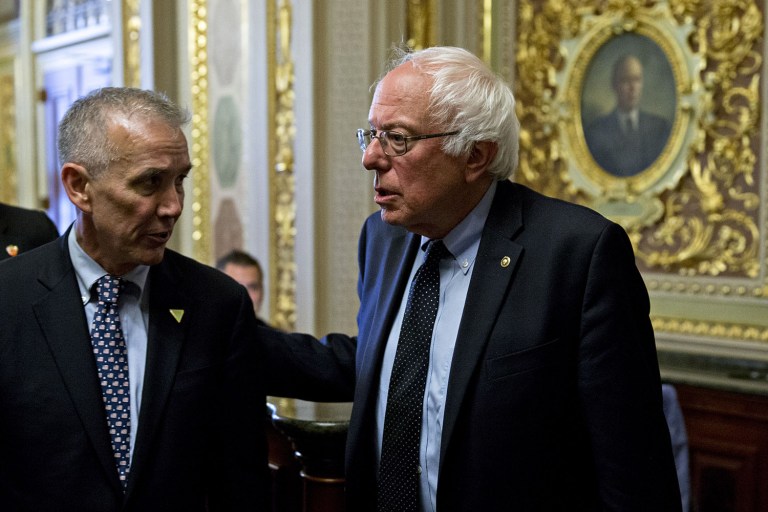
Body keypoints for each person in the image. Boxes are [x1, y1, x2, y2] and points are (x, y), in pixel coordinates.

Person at [260, 46, 681, 511]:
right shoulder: (383, 238)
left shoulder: (578, 255)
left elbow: (634, 472)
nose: (371, 158)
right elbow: (376, 363)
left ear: (475, 156)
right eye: (372, 135)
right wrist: (220, 323)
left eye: (397, 139)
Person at [0, 87, 268, 511]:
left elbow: (239, 480)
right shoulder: (8, 300)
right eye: (150, 183)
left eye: (180, 180)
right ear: (79, 186)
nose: (174, 206)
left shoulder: (217, 305)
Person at [584, 53, 672, 177]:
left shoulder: (660, 128)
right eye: (626, 80)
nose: (633, 88)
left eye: (637, 80)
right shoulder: (596, 132)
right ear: (614, 85)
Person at [216, 249, 267, 326]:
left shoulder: (276, 337)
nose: (246, 296)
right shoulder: (196, 335)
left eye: (253, 288)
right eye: (236, 288)